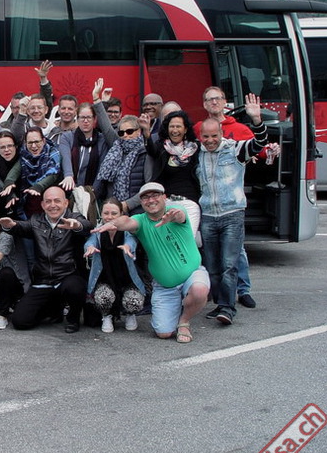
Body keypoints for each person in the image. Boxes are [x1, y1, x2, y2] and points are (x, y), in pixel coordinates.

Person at [91, 182, 209, 343]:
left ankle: (184, 321)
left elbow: (180, 215)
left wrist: (173, 216)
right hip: (164, 285)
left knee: (199, 290)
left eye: (155, 195)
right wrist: (114, 223)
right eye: (146, 197)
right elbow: (127, 221)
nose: (151, 200)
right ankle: (178, 306)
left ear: (164, 197)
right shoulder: (140, 220)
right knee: (163, 333)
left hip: (192, 273)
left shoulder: (176, 210)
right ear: (141, 202)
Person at [197, 93, 267, 325]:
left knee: (229, 264)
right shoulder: (197, 153)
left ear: (221, 133)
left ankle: (228, 308)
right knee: (212, 266)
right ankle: (220, 304)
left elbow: (259, 144)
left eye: (214, 136)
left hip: (232, 215)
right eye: (205, 136)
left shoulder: (235, 149)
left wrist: (256, 120)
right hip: (209, 215)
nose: (210, 140)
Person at [0, 186, 90, 333]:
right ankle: (53, 310)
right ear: (43, 205)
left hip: (67, 276)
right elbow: (22, 227)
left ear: (65, 203)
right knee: (20, 321)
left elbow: (87, 226)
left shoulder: (74, 217)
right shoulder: (36, 220)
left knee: (75, 288)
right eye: (48, 201)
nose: (53, 205)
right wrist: (11, 225)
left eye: (57, 201)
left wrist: (77, 226)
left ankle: (73, 319)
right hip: (43, 281)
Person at [84, 198, 146, 333]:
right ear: (101, 214)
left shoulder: (127, 231)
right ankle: (106, 315)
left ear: (121, 214)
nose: (109, 217)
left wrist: (128, 247)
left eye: (114, 213)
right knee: (103, 297)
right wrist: (89, 248)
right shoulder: (98, 231)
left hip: (126, 278)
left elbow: (131, 241)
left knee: (134, 300)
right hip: (105, 278)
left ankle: (130, 314)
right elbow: (90, 242)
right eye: (106, 213)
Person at [147, 110, 201, 239]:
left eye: (178, 126)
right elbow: (151, 150)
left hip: (190, 203)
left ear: (185, 129)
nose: (175, 130)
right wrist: (146, 133)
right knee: (169, 242)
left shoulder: (196, 148)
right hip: (168, 202)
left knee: (188, 240)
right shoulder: (162, 147)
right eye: (171, 126)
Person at [58, 103, 109, 191]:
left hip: (92, 190)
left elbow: (101, 169)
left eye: (89, 117)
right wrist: (68, 175)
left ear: (94, 119)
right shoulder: (67, 137)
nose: (85, 121)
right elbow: (65, 158)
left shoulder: (102, 140)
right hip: (69, 186)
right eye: (82, 117)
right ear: (77, 119)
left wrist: (93, 191)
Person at [18, 126, 61, 218]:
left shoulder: (54, 153)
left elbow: (54, 174)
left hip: (52, 208)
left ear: (43, 141)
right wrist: (8, 183)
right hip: (29, 206)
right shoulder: (22, 156)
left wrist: (38, 186)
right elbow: (15, 171)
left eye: (37, 142)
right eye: (30, 143)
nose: (33, 146)